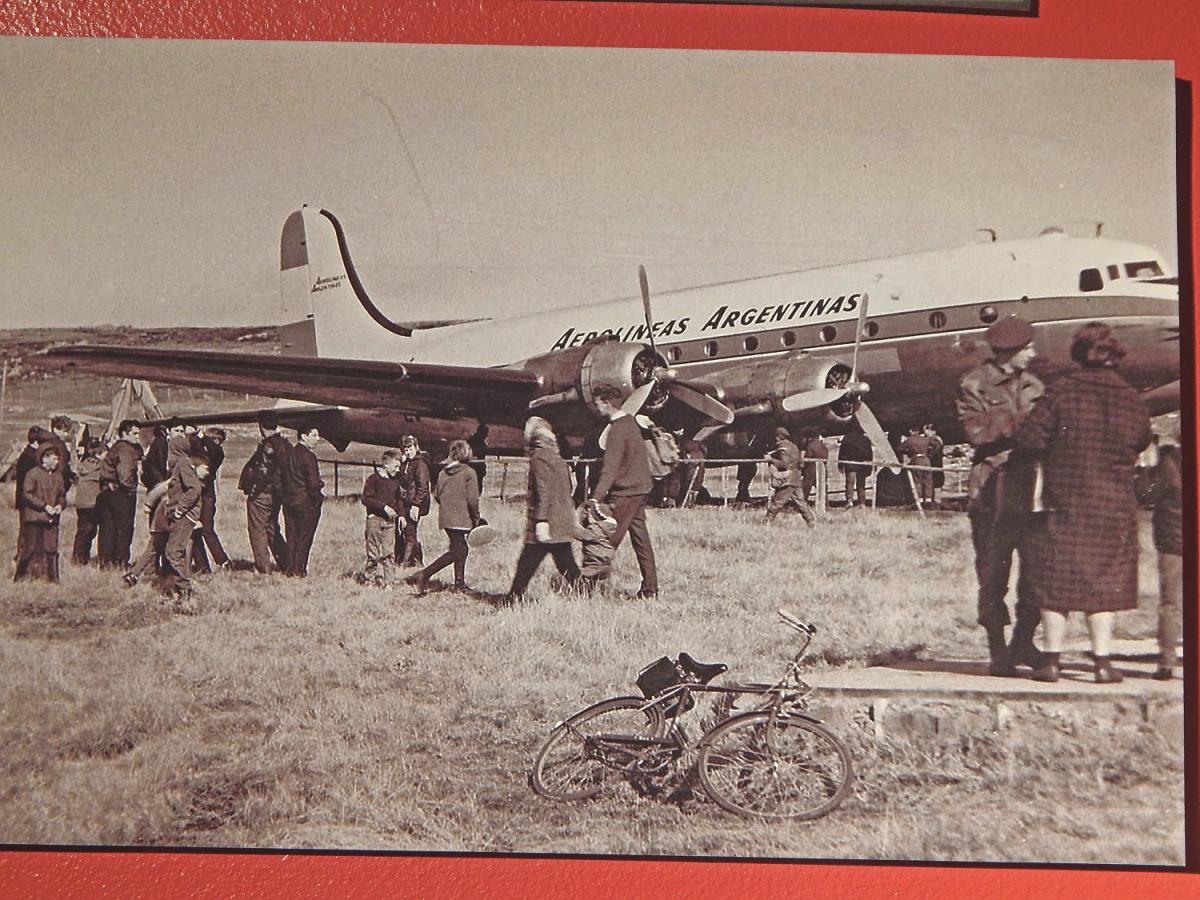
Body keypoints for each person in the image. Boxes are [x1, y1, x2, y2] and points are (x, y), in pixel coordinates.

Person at [1012, 322, 1152, 683]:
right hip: (1113, 505)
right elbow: (1140, 439)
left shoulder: (1060, 393)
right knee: (1105, 582)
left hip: (1064, 500)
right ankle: (1103, 663)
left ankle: (1052, 661)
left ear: (1077, 355)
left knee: (1056, 583)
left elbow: (1030, 440)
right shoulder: (1130, 397)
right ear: (1115, 357)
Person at [957, 314, 1046, 676]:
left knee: (1037, 571)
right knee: (992, 573)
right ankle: (998, 649)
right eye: (1028, 348)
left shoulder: (1034, 385)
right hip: (991, 491)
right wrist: (1027, 428)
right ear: (1011, 351)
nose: (1033, 353)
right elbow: (976, 432)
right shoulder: (974, 385)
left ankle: (1024, 641)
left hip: (1031, 488)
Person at [590, 386, 658, 599]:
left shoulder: (617, 429)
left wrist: (596, 497)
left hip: (626, 493)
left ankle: (587, 585)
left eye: (598, 403)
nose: (597, 407)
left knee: (605, 540)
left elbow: (609, 469)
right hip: (641, 489)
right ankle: (650, 588)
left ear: (606, 403)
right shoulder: (630, 422)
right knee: (641, 540)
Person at [504, 417, 582, 603]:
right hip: (561, 521)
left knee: (526, 564)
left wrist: (541, 521)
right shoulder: (557, 457)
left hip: (547, 523)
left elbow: (543, 491)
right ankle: (587, 595)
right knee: (566, 564)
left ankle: (512, 600)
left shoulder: (538, 457)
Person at [125, 451, 209, 604]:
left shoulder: (190, 481)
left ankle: (136, 575)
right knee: (164, 549)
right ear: (195, 466)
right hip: (165, 518)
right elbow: (161, 490)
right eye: (205, 468)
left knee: (160, 549)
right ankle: (183, 584)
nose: (207, 472)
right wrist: (149, 505)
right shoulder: (184, 480)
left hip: (169, 518)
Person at [409, 439, 481, 594]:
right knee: (459, 550)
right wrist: (476, 518)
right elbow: (473, 500)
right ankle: (425, 574)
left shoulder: (442, 473)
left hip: (446, 517)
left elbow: (437, 495)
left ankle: (459, 583)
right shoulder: (469, 473)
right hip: (463, 517)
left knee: (459, 548)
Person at [238, 411, 292, 574]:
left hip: (263, 493)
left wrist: (253, 490)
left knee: (258, 529)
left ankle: (263, 566)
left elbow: (262, 471)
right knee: (272, 528)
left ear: (261, 426)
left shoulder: (268, 446)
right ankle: (286, 563)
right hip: (277, 494)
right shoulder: (285, 444)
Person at [1150, 418, 1183, 680]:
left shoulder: (1168, 460)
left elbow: (1151, 495)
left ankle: (1167, 660)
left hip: (1172, 536)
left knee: (1170, 601)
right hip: (1176, 534)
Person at [14, 445, 66, 582]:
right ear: (45, 458)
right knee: (29, 549)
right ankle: (19, 576)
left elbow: (62, 495)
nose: (57, 462)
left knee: (52, 549)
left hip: (52, 518)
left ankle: (54, 579)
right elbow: (27, 494)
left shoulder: (58, 476)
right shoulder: (33, 474)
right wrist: (44, 506)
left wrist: (60, 505)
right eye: (54, 459)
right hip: (34, 518)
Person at [96, 419, 142, 568]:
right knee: (124, 528)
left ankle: (106, 561)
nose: (137, 437)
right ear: (124, 433)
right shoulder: (126, 450)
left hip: (107, 491)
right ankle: (121, 562)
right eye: (134, 433)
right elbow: (125, 474)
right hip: (121, 493)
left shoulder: (115, 447)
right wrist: (131, 489)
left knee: (108, 528)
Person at [282, 426, 325, 577]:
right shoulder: (309, 457)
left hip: (289, 501)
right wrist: (319, 494)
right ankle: (299, 570)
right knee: (304, 538)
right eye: (314, 435)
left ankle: (291, 568)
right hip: (306, 502)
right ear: (303, 436)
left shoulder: (289, 454)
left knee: (292, 536)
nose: (317, 438)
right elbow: (313, 483)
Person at [361, 449, 404, 586]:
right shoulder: (373, 480)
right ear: (386, 464)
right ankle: (370, 580)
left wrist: (401, 516)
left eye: (399, 467)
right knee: (373, 554)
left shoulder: (396, 481)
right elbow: (366, 499)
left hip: (390, 523)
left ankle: (389, 582)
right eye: (396, 466)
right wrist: (384, 507)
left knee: (388, 553)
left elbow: (399, 501)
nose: (398, 470)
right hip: (374, 521)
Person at [193, 427, 231, 571]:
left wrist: (201, 437)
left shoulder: (216, 453)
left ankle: (222, 561)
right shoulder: (211, 451)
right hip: (206, 494)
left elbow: (209, 448)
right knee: (197, 529)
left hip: (206, 495)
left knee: (206, 529)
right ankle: (203, 564)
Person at [765, 427, 815, 526]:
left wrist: (771, 459)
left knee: (777, 501)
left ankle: (766, 522)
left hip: (787, 479)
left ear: (779, 437)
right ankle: (810, 521)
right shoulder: (793, 446)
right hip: (796, 478)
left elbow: (784, 464)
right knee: (801, 502)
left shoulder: (783, 447)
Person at [396, 435, 431, 567]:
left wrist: (416, 505)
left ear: (416, 448)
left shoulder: (420, 464)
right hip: (405, 503)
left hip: (413, 504)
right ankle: (417, 561)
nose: (408, 451)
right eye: (405, 448)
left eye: (410, 448)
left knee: (410, 533)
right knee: (407, 532)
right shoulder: (407, 463)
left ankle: (404, 564)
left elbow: (423, 487)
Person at [71, 438, 106, 565]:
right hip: (91, 503)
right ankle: (80, 558)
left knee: (83, 530)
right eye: (104, 453)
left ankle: (79, 557)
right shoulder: (99, 467)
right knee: (89, 530)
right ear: (98, 454)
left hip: (81, 503)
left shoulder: (84, 464)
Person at [576, 500, 618, 589]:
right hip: (604, 561)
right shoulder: (608, 529)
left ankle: (582, 591)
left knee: (577, 575)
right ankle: (595, 589)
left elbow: (582, 535)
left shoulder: (596, 529)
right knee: (592, 579)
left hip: (595, 561)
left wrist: (570, 527)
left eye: (590, 515)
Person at [838, 428, 873, 508]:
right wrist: (869, 466)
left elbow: (842, 452)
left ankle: (849, 501)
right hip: (861, 465)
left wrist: (840, 464)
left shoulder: (847, 438)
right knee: (861, 485)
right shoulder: (865, 439)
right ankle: (862, 502)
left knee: (850, 484)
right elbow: (869, 454)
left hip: (850, 465)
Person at [900, 425, 934, 507]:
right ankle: (928, 500)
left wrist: (909, 453)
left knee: (917, 481)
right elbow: (937, 444)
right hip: (926, 460)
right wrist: (930, 454)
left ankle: (919, 500)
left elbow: (900, 449)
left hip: (916, 460)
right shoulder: (926, 439)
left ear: (911, 431)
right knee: (928, 480)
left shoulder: (909, 440)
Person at [735, 429, 765, 504]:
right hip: (746, 463)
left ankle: (743, 496)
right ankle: (742, 497)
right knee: (744, 480)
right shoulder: (746, 444)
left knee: (746, 479)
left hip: (748, 462)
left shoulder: (752, 441)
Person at [801, 431, 828, 504]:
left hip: (811, 469)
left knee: (806, 486)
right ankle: (825, 503)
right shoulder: (824, 446)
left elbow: (808, 458)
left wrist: (803, 467)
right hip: (822, 469)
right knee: (822, 487)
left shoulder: (810, 445)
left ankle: (803, 503)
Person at [925, 424, 945, 505]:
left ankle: (937, 502)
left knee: (936, 481)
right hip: (935, 463)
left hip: (936, 464)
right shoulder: (934, 440)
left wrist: (929, 455)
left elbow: (935, 450)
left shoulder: (936, 441)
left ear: (932, 431)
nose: (926, 432)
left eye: (927, 430)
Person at [468, 424, 489, 493]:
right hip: (475, 468)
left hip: (478, 468)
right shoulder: (478, 442)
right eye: (486, 433)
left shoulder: (473, 440)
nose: (487, 435)